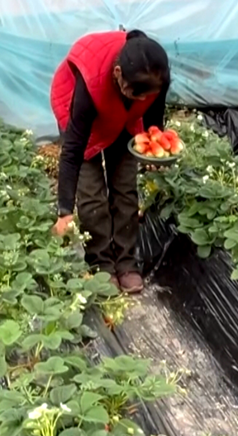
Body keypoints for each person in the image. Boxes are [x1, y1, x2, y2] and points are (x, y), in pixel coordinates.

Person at [50, 29, 171, 294]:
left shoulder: (154, 75)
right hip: (82, 116)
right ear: (118, 73)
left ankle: (126, 262)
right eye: (135, 93)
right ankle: (101, 263)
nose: (142, 99)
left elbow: (154, 114)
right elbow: (72, 153)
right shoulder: (90, 82)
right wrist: (64, 211)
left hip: (123, 118)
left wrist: (155, 144)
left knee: (125, 186)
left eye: (145, 95)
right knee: (92, 193)